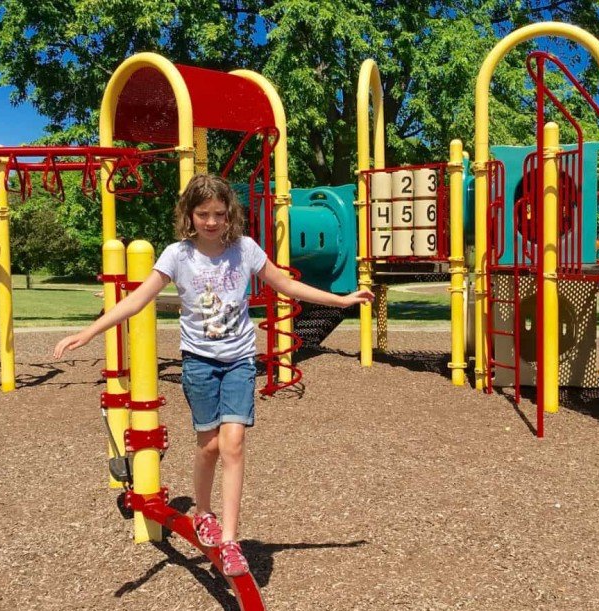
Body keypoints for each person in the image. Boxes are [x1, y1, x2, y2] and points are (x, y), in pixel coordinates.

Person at [53, 173, 373, 577]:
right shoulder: (177, 256)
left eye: (219, 214)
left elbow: (288, 286)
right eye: (203, 214)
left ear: (229, 216)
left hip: (239, 360)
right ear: (189, 215)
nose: (211, 222)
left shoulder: (245, 250)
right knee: (208, 447)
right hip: (200, 364)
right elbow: (136, 301)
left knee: (233, 443)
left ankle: (231, 539)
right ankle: (203, 512)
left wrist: (340, 299)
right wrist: (88, 332)